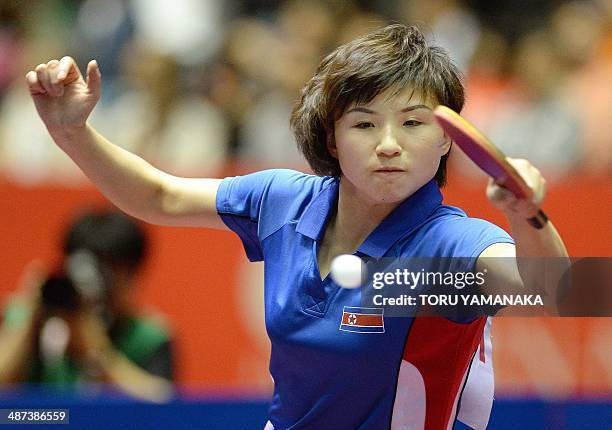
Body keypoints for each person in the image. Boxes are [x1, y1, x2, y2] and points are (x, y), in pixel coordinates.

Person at [25, 24, 568, 429]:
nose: (388, 143)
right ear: (331, 139)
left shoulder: (448, 246)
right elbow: (159, 195)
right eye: (363, 123)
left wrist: (529, 216)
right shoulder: (282, 202)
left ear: (447, 138)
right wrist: (73, 133)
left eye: (412, 123)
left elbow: (558, 288)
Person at [0, 210, 174, 403]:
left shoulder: (148, 337)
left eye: (109, 272)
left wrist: (98, 353)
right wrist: (26, 325)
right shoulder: (20, 317)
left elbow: (163, 405)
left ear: (133, 276)